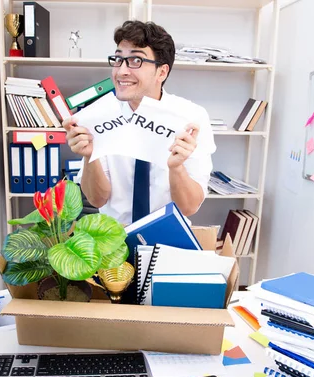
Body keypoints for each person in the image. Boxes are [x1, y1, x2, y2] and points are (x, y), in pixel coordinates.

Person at [63, 20, 216, 224]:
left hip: (168, 236)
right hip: (114, 238)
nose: (121, 71)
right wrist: (90, 156)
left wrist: (177, 168)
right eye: (118, 59)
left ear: (161, 72)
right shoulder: (98, 115)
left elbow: (189, 207)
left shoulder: (191, 118)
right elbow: (97, 198)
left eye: (135, 61)